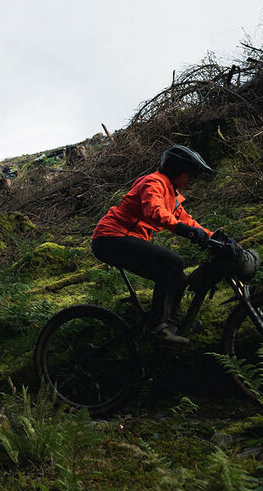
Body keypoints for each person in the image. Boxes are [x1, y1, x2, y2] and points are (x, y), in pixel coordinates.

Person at [90, 145, 218, 344]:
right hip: (110, 238)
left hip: (123, 239)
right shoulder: (154, 182)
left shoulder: (170, 193)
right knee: (173, 262)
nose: (192, 179)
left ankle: (172, 323)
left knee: (178, 277)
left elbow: (187, 221)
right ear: (177, 170)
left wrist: (214, 237)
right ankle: (157, 327)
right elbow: (155, 211)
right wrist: (186, 231)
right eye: (190, 174)